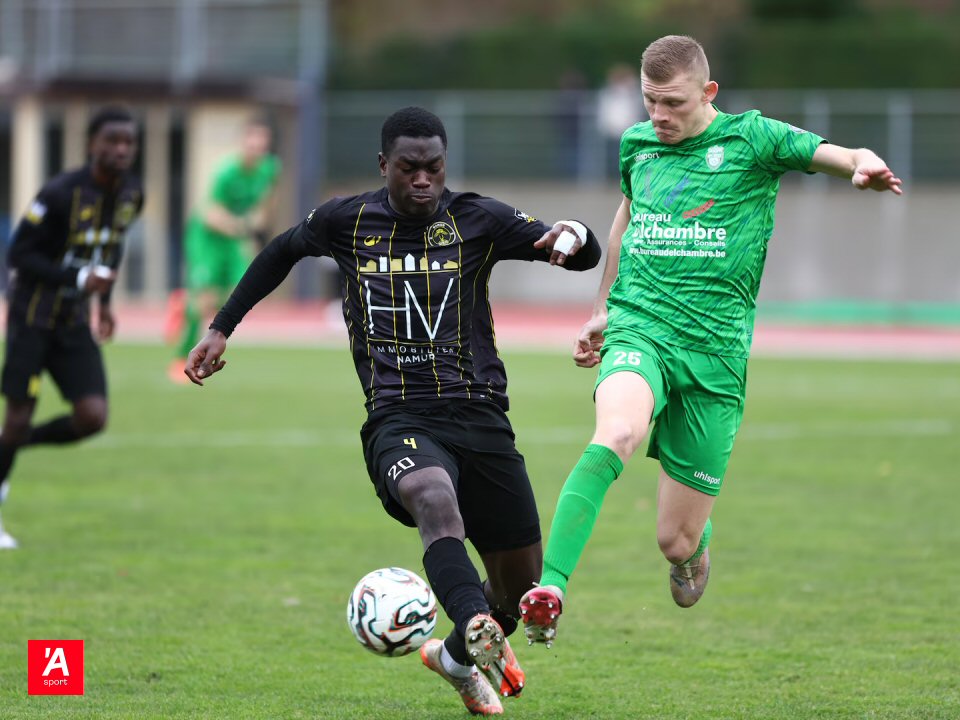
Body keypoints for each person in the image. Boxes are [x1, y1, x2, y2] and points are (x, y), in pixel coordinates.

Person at [184, 106, 601, 715]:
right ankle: (473, 621)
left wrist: (574, 235)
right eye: (409, 168)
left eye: (434, 167)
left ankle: (456, 657)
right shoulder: (347, 220)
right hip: (398, 416)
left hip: (481, 415)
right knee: (433, 498)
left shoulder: (477, 219)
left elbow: (579, 250)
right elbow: (281, 250)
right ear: (384, 165)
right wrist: (222, 327)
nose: (423, 179)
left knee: (519, 589)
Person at [519, 34, 903, 647]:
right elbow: (627, 216)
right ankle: (550, 589)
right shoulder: (637, 143)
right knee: (617, 432)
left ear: (708, 92)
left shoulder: (754, 139)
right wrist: (602, 308)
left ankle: (695, 545)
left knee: (675, 541)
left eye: (672, 102)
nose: (659, 115)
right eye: (650, 101)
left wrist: (862, 164)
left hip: (716, 355)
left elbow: (841, 151)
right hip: (641, 326)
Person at [0, 106, 143, 549]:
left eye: (128, 142)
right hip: (32, 317)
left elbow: (113, 246)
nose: (121, 149)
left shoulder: (132, 194)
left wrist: (105, 302)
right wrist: (79, 279)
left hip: (74, 321)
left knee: (92, 417)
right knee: (17, 416)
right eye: (112, 140)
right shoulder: (60, 193)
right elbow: (19, 255)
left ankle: (13, 443)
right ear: (91, 144)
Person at [167, 116, 280, 383]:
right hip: (207, 239)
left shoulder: (270, 168)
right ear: (243, 142)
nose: (256, 149)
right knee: (203, 301)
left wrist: (256, 226)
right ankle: (181, 358)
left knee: (243, 291)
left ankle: (183, 303)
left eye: (262, 145)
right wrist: (243, 231)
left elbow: (266, 204)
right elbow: (211, 216)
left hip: (233, 238)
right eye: (252, 143)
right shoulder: (227, 172)